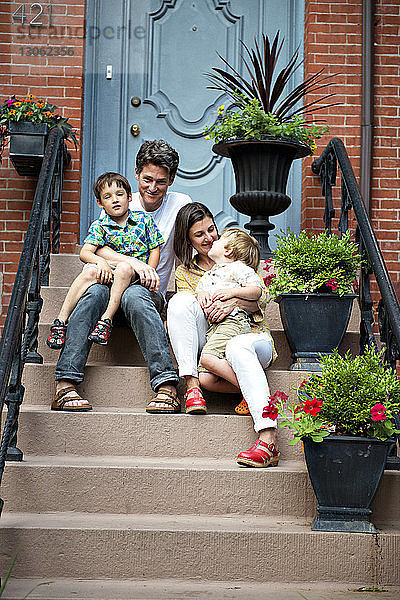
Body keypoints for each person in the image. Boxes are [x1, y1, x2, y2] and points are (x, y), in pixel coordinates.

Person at [51, 139, 190, 413]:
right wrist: (135, 263)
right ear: (136, 173)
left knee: (137, 295)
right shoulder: (119, 200)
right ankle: (64, 385)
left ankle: (166, 386)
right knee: (92, 293)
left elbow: (195, 247)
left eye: (160, 181)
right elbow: (96, 247)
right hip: (108, 290)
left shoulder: (180, 205)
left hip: (147, 295)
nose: (152, 188)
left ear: (171, 179)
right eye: (147, 179)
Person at [167, 203, 280, 468]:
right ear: (189, 240)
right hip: (213, 338)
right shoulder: (187, 272)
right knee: (180, 301)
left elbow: (258, 301)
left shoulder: (241, 262)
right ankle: (193, 386)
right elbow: (192, 309)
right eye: (199, 235)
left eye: (212, 229)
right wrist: (206, 302)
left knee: (238, 347)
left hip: (250, 336)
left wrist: (232, 301)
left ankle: (268, 437)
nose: (209, 238)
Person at [46, 172, 163, 348]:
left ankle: (105, 321)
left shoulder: (144, 219)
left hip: (134, 278)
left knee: (124, 268)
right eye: (108, 197)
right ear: (100, 203)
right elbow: (85, 253)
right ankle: (60, 321)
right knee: (92, 270)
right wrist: (100, 262)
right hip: (110, 276)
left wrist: (148, 271)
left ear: (130, 197)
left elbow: (154, 248)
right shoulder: (100, 226)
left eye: (120, 194)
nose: (115, 200)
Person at [195, 228, 263, 390]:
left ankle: (254, 389)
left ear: (228, 251)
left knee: (207, 358)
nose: (214, 240)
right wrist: (202, 294)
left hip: (233, 323)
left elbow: (256, 291)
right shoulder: (212, 273)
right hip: (214, 329)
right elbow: (200, 290)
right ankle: (247, 391)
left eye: (219, 240)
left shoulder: (239, 268)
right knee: (204, 379)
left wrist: (233, 292)